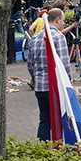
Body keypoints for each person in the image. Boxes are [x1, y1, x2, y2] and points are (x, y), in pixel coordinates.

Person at [27, 8, 70, 140]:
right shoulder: (58, 37)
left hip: (40, 86)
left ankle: (42, 148)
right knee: (58, 119)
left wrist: (35, 78)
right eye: (63, 20)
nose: (63, 23)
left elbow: (30, 64)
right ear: (57, 19)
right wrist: (69, 84)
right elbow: (64, 64)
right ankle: (58, 147)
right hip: (55, 86)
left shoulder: (35, 38)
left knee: (44, 119)